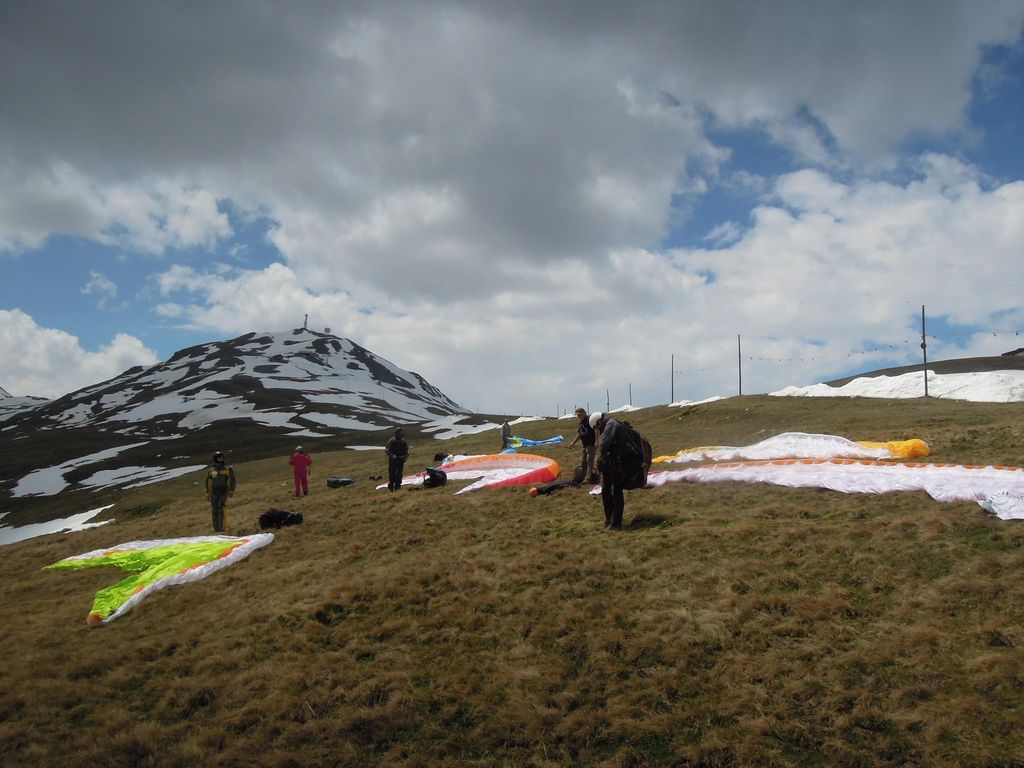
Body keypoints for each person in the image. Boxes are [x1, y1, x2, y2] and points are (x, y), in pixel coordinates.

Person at [591, 412, 626, 531]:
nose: (597, 430)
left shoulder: (611, 425)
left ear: (599, 422)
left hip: (616, 464)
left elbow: (602, 446)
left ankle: (616, 524)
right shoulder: (607, 426)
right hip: (609, 465)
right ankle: (609, 520)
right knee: (606, 492)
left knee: (616, 492)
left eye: (596, 427)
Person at [205, 451, 236, 533]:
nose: (221, 460)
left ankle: (222, 528)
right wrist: (207, 493)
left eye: (222, 458)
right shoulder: (211, 471)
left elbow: (232, 480)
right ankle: (216, 529)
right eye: (219, 458)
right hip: (214, 492)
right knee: (214, 509)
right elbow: (208, 482)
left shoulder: (228, 469)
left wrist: (231, 490)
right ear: (215, 459)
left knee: (221, 507)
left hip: (224, 491)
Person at [566, 407, 597, 483]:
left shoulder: (590, 420)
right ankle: (583, 477)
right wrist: (573, 443)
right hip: (585, 445)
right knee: (584, 462)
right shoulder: (581, 423)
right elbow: (580, 434)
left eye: (579, 414)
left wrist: (597, 442)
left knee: (589, 461)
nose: (578, 416)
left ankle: (589, 478)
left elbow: (596, 430)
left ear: (584, 412)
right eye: (577, 415)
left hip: (591, 444)